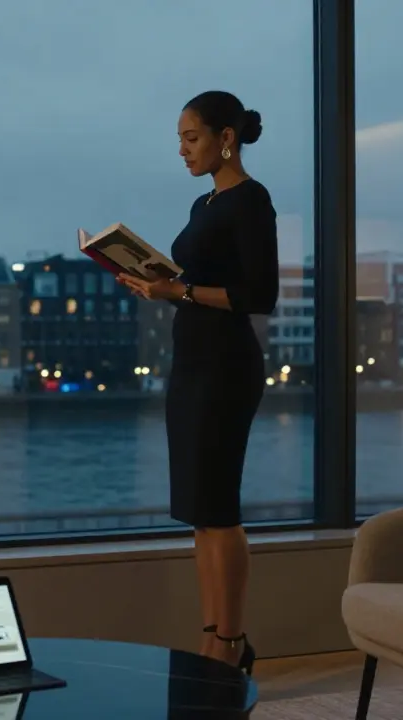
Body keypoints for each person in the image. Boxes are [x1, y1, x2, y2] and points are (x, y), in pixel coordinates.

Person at [118, 90, 277, 675]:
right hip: (191, 365)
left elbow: (258, 297)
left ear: (225, 138)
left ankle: (231, 645)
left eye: (191, 138)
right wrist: (152, 280)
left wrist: (176, 291)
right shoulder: (202, 204)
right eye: (179, 140)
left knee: (221, 505)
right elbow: (199, 280)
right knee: (199, 511)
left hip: (227, 367)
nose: (182, 150)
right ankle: (212, 634)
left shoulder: (251, 201)